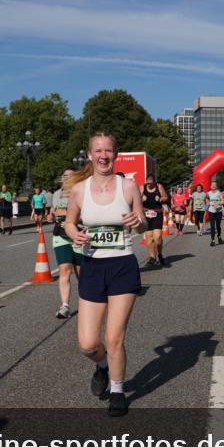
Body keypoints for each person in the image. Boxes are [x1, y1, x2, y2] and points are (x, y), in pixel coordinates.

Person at [64, 133, 147, 417]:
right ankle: (102, 366)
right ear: (89, 155)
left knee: (113, 338)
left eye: (108, 151)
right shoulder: (79, 190)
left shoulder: (128, 186)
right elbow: (69, 222)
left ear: (116, 154)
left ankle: (118, 391)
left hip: (122, 264)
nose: (103, 156)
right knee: (88, 344)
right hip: (92, 267)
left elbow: (143, 223)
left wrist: (138, 222)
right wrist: (75, 234)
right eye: (98, 151)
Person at [52, 169, 84, 319]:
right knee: (64, 269)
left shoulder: (81, 192)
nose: (66, 178)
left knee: (81, 273)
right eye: (64, 175)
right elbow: (53, 211)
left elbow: (86, 214)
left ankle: (86, 301)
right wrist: (51, 214)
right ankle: (65, 305)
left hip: (78, 235)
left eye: (69, 176)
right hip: (61, 235)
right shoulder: (56, 194)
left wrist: (66, 213)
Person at [141, 174, 169, 268]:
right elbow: (137, 198)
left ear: (154, 182)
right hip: (146, 214)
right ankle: (152, 258)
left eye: (150, 182)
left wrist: (160, 199)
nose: (148, 184)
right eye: (147, 182)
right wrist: (142, 198)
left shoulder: (159, 187)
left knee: (157, 237)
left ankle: (160, 254)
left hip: (157, 214)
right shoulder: (143, 187)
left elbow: (166, 197)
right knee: (149, 237)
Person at [206, 180, 224, 246]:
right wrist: (211, 204)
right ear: (210, 187)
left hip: (218, 211)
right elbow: (207, 202)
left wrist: (218, 203)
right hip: (211, 211)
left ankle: (219, 236)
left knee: (218, 226)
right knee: (212, 226)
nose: (213, 186)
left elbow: (223, 201)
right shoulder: (208, 193)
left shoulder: (219, 193)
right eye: (212, 185)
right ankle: (213, 240)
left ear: (216, 186)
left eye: (215, 185)